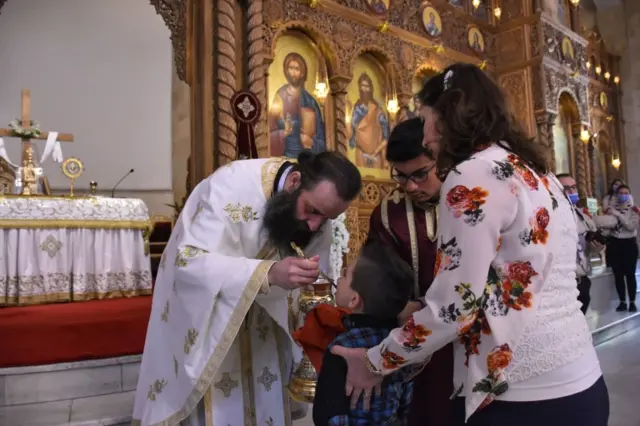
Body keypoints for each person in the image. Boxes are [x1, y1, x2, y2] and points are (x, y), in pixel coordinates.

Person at [332, 63, 609, 426]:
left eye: (426, 119)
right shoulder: (536, 171)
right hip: (581, 381)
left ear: (447, 115)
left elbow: (455, 307)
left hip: (521, 397)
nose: (427, 135)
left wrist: (375, 362)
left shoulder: (472, 174)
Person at [131, 150, 362, 426]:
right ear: (295, 181)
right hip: (213, 323)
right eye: (312, 211)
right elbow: (188, 261)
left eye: (326, 219)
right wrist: (267, 273)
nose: (315, 225)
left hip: (266, 329)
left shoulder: (315, 213)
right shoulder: (230, 187)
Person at [368, 117, 453, 426]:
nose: (411, 187)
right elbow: (380, 277)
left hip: (473, 338)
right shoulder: (388, 214)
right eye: (401, 177)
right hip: (416, 341)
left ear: (440, 159)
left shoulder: (472, 200)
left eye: (420, 174)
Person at [313, 240, 420, 426]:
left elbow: (326, 414)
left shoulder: (342, 348)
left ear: (354, 300)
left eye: (345, 275)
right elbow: (406, 402)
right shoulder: (401, 346)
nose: (339, 278)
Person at [557, 173, 605, 314]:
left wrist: (597, 246)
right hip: (564, 280)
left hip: (582, 278)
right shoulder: (551, 217)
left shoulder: (582, 216)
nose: (572, 192)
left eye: (574, 187)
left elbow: (589, 246)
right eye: (566, 188)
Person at [269, 52, 326, 157]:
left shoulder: (311, 102)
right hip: (283, 158)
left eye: (297, 69)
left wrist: (311, 142)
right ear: (286, 70)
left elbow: (323, 141)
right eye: (290, 68)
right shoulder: (279, 96)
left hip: (306, 160)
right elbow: (268, 132)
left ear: (302, 73)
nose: (293, 73)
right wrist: (283, 133)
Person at [605, 184, 639, 312]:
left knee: (630, 275)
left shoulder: (634, 210)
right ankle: (622, 302)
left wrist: (618, 215)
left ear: (629, 195)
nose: (623, 195)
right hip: (615, 244)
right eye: (621, 193)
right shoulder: (611, 210)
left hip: (629, 244)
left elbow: (630, 226)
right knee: (618, 275)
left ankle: (632, 302)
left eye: (626, 193)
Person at [602, 178, 623, 268]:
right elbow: (606, 209)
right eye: (615, 184)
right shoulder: (608, 197)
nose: (617, 186)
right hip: (611, 223)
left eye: (619, 184)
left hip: (622, 225)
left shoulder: (624, 196)